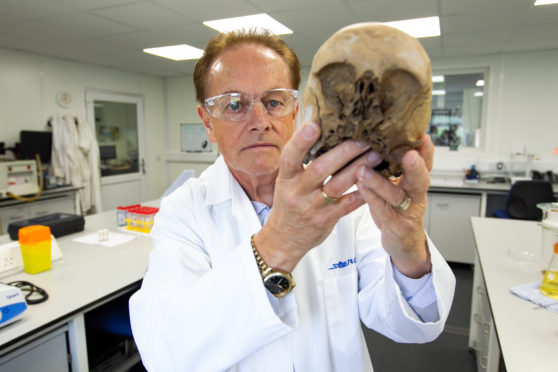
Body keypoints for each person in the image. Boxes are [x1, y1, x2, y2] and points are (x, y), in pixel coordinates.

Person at [129, 29, 456, 372]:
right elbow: (166, 355)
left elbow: (410, 323)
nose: (259, 123)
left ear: (295, 112)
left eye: (274, 102)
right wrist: (280, 243)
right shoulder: (184, 211)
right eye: (234, 104)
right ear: (208, 123)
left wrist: (409, 249)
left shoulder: (348, 194)